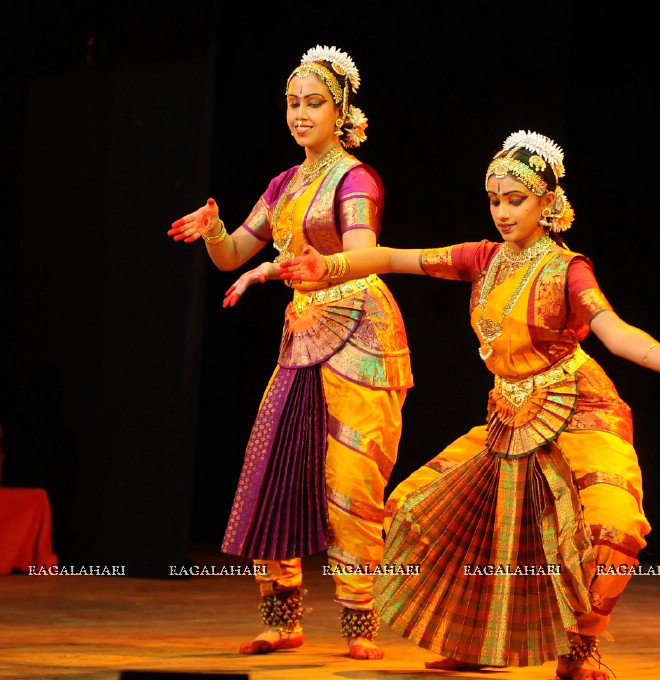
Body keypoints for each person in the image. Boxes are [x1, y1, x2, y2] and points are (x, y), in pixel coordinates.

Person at [275, 129, 660, 680]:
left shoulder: (567, 269)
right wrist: (331, 268)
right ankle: (474, 640)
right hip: (509, 415)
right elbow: (393, 256)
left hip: (576, 410)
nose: (503, 212)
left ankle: (579, 650)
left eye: (517, 200)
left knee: (611, 528)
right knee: (424, 514)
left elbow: (615, 331)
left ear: (549, 203)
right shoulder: (481, 259)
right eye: (495, 200)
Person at [167, 45, 412, 660]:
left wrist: (282, 270)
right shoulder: (283, 184)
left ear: (342, 111)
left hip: (360, 332)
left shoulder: (356, 179)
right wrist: (216, 231)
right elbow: (231, 256)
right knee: (275, 468)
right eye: (293, 103)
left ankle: (359, 624)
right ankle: (281, 619)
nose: (301, 114)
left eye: (314, 104)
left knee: (352, 476)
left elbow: (359, 253)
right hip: (303, 335)